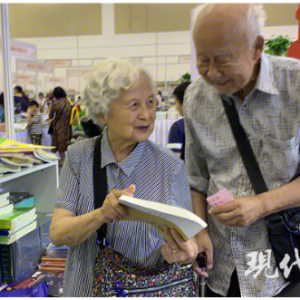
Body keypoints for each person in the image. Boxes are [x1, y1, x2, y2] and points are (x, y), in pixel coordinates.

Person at [49, 57, 199, 297]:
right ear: (103, 111)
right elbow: (57, 233)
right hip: (85, 290)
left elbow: (187, 242)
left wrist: (184, 253)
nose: (146, 114)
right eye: (134, 105)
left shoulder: (171, 168)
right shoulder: (79, 157)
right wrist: (101, 215)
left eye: (150, 102)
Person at [186, 3, 300, 297]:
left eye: (224, 60)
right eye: (202, 59)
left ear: (257, 48)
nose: (212, 72)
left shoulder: (295, 85)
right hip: (221, 267)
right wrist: (199, 232)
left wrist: (262, 204)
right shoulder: (196, 97)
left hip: (283, 265)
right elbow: (196, 178)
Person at [48, 87, 72, 166]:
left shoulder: (55, 103)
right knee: (64, 143)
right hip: (67, 125)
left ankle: (62, 160)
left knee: (58, 143)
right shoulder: (68, 102)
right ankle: (64, 159)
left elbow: (50, 115)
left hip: (58, 126)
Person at [167, 81, 191, 161]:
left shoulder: (178, 127)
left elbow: (173, 160)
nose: (175, 107)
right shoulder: (209, 125)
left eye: (176, 102)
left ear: (184, 103)